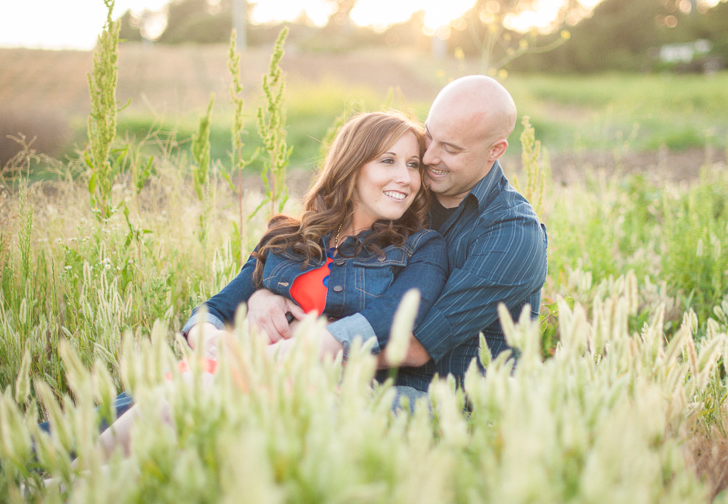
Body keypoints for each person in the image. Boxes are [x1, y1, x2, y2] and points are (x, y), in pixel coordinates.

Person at [100, 111, 448, 454]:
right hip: (240, 371)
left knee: (191, 394)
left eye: (413, 165)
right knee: (172, 398)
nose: (405, 178)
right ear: (351, 164)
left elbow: (389, 319)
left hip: (325, 391)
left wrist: (282, 350)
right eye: (388, 161)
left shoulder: (422, 248)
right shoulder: (286, 238)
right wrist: (215, 341)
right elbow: (216, 308)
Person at [188, 75, 548, 397]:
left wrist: (294, 348)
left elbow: (412, 345)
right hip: (333, 379)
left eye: (450, 149)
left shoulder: (511, 233)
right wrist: (262, 294)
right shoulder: (407, 200)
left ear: (495, 150)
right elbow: (223, 306)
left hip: (443, 398)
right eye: (430, 138)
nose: (427, 159)